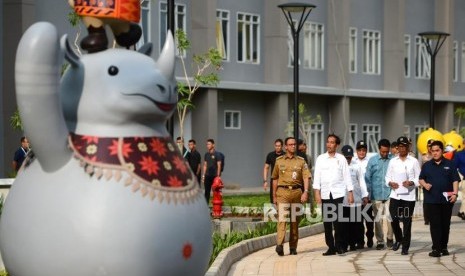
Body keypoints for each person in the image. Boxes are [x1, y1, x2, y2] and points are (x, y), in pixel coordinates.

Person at [313, 134, 354, 256]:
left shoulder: (341, 159)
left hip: (338, 193)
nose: (329, 144)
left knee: (338, 221)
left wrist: (350, 193)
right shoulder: (320, 158)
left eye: (332, 142)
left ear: (336, 145)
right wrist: (317, 193)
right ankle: (330, 247)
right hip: (325, 193)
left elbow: (347, 176)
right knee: (327, 222)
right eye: (328, 142)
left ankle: (339, 246)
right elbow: (317, 177)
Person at [419, 140, 460, 257]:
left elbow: (455, 180)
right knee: (435, 225)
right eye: (433, 151)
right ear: (430, 152)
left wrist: (455, 194)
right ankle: (436, 249)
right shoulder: (427, 165)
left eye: (437, 150)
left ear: (442, 151)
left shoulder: (450, 164)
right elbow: (421, 178)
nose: (435, 153)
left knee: (445, 224)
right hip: (431, 200)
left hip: (447, 200)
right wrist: (425, 184)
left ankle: (444, 247)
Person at [272, 137, 310, 256]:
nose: (293, 146)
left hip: (296, 193)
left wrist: (305, 192)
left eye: (294, 144)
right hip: (282, 192)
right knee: (282, 219)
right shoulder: (279, 161)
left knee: (294, 222)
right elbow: (275, 178)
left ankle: (293, 247)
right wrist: (274, 196)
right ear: (286, 147)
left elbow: (306, 177)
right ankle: (280, 245)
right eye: (290, 144)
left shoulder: (301, 161)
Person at [386, 136, 421, 256]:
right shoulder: (393, 161)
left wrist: (411, 183)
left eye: (404, 146)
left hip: (408, 197)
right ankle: (399, 238)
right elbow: (387, 177)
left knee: (406, 221)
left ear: (408, 147)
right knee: (393, 218)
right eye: (399, 147)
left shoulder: (413, 161)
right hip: (395, 195)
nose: (401, 149)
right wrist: (390, 183)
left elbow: (419, 178)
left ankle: (405, 246)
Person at [365, 138, 393, 250]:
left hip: (390, 193)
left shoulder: (393, 160)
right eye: (383, 152)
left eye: (387, 151)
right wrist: (368, 192)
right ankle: (380, 241)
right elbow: (367, 177)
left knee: (390, 218)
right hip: (375, 194)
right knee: (378, 219)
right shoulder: (372, 161)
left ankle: (390, 237)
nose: (385, 154)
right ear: (379, 149)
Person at [341, 145, 368, 251]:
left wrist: (364, 195)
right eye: (346, 157)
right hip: (343, 199)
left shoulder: (356, 166)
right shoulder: (338, 166)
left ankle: (357, 242)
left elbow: (361, 181)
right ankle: (346, 243)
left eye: (350, 157)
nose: (348, 159)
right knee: (345, 224)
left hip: (356, 199)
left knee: (356, 223)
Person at [353, 140, 373, 248]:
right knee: (358, 221)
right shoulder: (353, 162)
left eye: (364, 150)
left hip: (367, 196)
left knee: (369, 219)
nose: (362, 152)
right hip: (356, 196)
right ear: (356, 151)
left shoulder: (369, 162)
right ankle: (360, 241)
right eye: (360, 150)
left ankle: (370, 237)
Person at [263, 138, 284, 203]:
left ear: (282, 146)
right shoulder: (270, 155)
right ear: (274, 146)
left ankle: (282, 211)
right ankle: (275, 211)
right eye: (276, 146)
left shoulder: (285, 155)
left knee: (282, 197)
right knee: (273, 198)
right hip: (274, 179)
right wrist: (265, 181)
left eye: (279, 146)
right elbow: (266, 168)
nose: (277, 147)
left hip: (283, 179)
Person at [202, 139, 222, 204]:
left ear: (213, 145)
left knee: (215, 193)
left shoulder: (217, 154)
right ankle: (206, 207)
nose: (207, 145)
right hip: (207, 176)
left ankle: (215, 207)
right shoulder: (206, 154)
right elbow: (205, 165)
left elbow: (219, 165)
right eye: (207, 144)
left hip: (214, 176)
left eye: (209, 144)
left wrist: (218, 177)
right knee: (206, 192)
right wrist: (203, 175)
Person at [420, 139, 435, 225]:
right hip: (426, 180)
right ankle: (427, 218)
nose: (430, 147)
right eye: (429, 145)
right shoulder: (424, 156)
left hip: (435, 179)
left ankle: (434, 216)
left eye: (432, 145)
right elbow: (420, 168)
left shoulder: (437, 155)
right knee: (426, 200)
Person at [453, 138, 465, 220]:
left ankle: (461, 212)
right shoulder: (459, 154)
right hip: (463, 178)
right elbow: (454, 167)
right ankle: (462, 212)